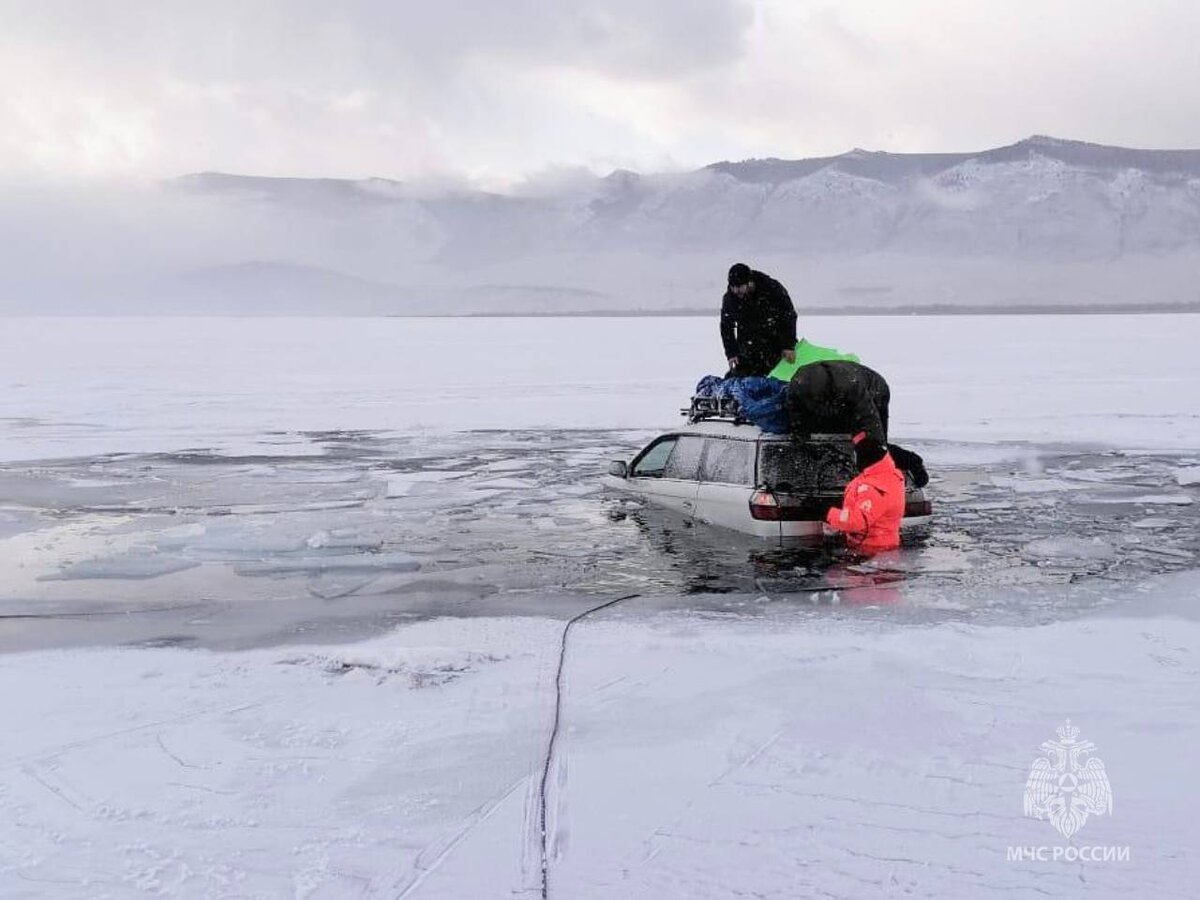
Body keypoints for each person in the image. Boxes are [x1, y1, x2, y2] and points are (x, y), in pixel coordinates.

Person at [784, 359, 929, 487]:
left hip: (874, 392)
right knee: (832, 438)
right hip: (840, 400)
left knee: (871, 446)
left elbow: (871, 424)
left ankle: (912, 462)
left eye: (821, 400)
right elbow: (795, 417)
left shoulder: (850, 386)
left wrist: (874, 459)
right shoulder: (796, 387)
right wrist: (802, 441)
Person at [824, 434, 906, 556]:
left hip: (871, 550)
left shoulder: (874, 487)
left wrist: (827, 512)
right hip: (881, 546)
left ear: (863, 458)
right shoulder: (888, 475)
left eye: (856, 456)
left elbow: (856, 522)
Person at [720, 263, 798, 377]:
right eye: (733, 287)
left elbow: (788, 316)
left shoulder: (772, 289)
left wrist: (788, 346)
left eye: (740, 287)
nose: (737, 291)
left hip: (776, 345)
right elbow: (726, 326)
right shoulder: (730, 299)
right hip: (748, 349)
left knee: (778, 378)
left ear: (750, 283)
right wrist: (731, 353)